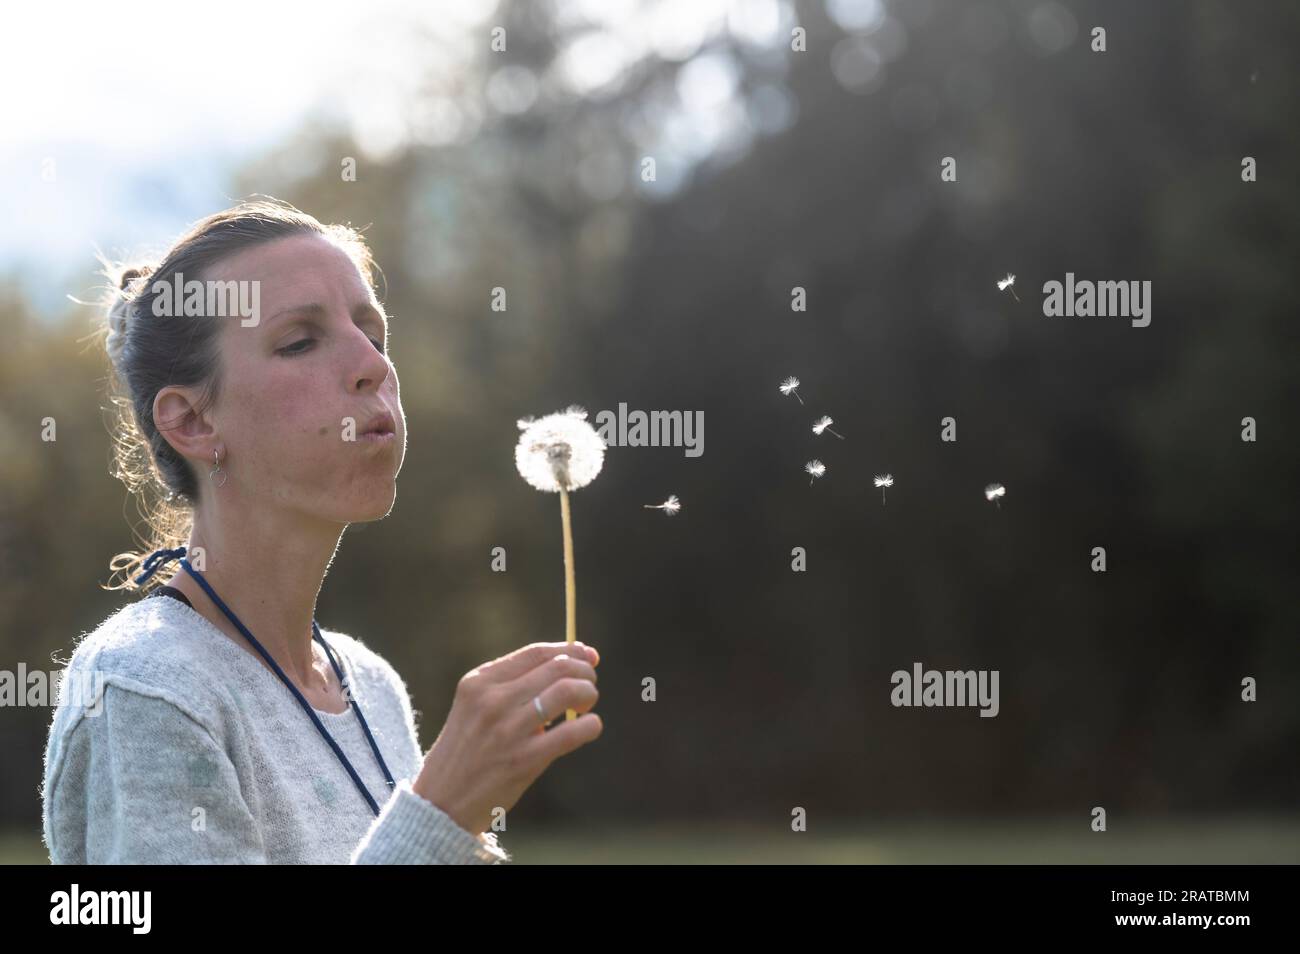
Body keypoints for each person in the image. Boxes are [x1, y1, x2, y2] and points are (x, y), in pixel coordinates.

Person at [40, 198, 602, 863]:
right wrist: (442, 810)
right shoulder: (144, 688)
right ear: (192, 422)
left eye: (372, 331)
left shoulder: (372, 688)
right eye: (300, 341)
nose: (374, 365)